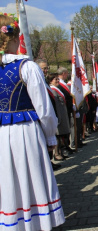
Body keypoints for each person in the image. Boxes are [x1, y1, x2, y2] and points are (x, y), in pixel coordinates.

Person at [0, 13, 65, 229]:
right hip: (25, 132)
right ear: (15, 38)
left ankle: (12, 223)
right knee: (30, 175)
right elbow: (44, 109)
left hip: (2, 134)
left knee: (8, 179)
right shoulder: (27, 67)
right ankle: (37, 222)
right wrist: (50, 134)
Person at [47, 73, 71, 161]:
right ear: (51, 81)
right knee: (57, 136)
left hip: (62, 115)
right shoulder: (52, 90)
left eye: (58, 79)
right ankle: (56, 154)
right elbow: (56, 105)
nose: (57, 81)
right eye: (55, 79)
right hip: (59, 116)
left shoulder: (57, 89)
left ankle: (60, 152)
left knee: (60, 136)